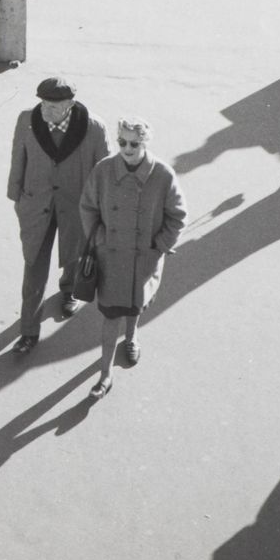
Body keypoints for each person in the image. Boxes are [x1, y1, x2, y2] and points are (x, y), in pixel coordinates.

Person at [78, 119, 187, 401]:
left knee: (135, 302)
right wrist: (100, 238)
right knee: (111, 313)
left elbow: (178, 216)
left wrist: (159, 246)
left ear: (145, 143)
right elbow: (87, 207)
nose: (127, 148)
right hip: (111, 256)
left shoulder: (162, 174)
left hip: (144, 257)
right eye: (122, 142)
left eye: (134, 143)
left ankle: (132, 337)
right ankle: (105, 374)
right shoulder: (103, 170)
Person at [7, 78, 111, 357]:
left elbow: (103, 174)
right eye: (42, 103)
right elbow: (18, 157)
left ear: (70, 105)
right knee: (33, 267)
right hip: (36, 204)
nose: (45, 110)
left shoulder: (94, 128)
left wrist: (101, 211)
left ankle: (69, 290)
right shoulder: (27, 120)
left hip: (76, 207)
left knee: (73, 254)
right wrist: (16, 196)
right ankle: (28, 332)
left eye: (53, 106)